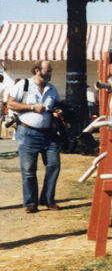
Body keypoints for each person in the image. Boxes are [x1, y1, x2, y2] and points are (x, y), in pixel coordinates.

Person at [7, 61, 62, 213]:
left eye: (50, 71)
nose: (50, 73)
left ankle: (48, 199)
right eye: (48, 70)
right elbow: (10, 104)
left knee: (53, 165)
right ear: (37, 71)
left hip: (49, 135)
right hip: (27, 134)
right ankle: (31, 202)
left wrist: (57, 112)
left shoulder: (52, 89)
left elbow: (57, 106)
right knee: (29, 170)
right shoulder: (23, 85)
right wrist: (32, 107)